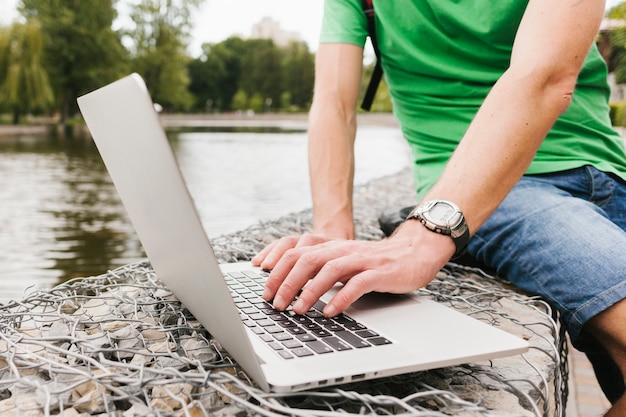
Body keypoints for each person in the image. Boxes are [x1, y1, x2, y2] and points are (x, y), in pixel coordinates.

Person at [251, 0, 626, 411]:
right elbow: (334, 106)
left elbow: (548, 73)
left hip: (610, 169)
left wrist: (418, 241)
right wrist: (332, 230)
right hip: (495, 187)